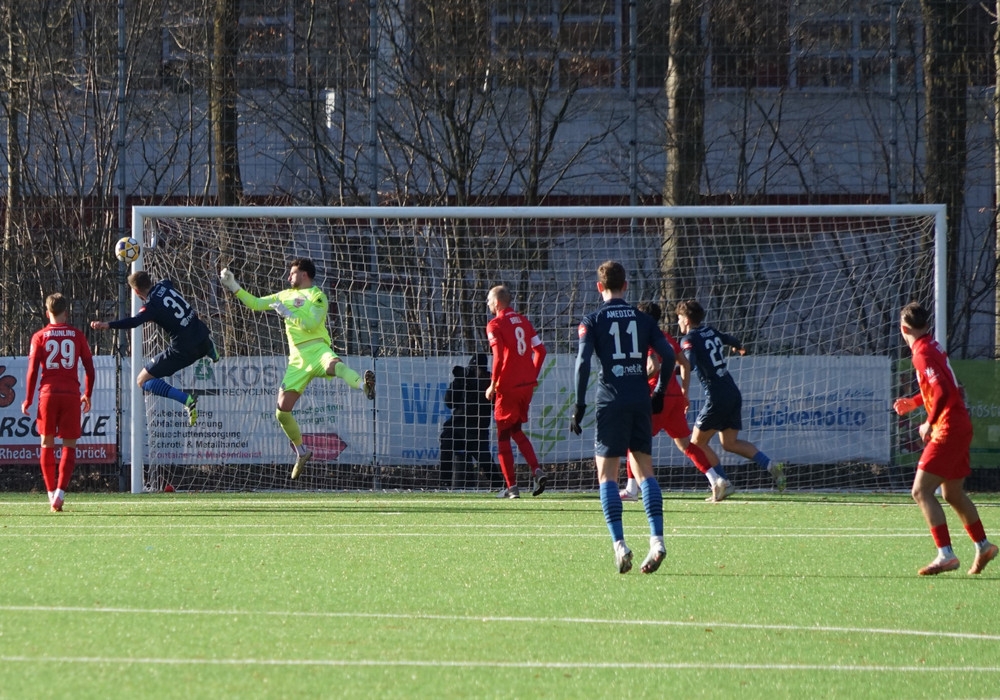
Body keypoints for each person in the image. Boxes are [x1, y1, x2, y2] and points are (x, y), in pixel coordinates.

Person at [220, 258, 375, 480]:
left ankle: (364, 387)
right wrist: (233, 286)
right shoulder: (284, 295)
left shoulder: (317, 296)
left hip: (317, 349)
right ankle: (301, 452)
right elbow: (255, 303)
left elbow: (311, 325)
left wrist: (289, 314)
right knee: (281, 411)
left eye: (292, 273)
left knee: (336, 366)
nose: (288, 277)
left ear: (304, 274)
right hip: (297, 360)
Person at [570, 261, 675, 574]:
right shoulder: (643, 319)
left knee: (607, 477)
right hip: (640, 399)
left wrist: (579, 404)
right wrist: (660, 392)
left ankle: (620, 545)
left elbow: (583, 362)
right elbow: (668, 355)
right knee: (645, 473)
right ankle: (657, 540)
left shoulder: (592, 320)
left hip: (610, 401)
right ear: (625, 286)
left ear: (599, 287)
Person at [893, 301, 997, 576]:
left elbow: (942, 392)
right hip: (960, 424)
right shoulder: (933, 346)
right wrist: (915, 402)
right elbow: (945, 385)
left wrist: (928, 422)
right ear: (926, 325)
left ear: (904, 329)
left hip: (948, 427)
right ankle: (983, 545)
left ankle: (945, 554)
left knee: (920, 491)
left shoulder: (922, 354)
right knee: (951, 493)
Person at [675, 299, 785, 499]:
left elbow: (689, 364)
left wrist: (670, 369)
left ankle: (723, 482)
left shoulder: (688, 339)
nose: (678, 322)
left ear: (687, 320)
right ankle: (770, 465)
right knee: (729, 443)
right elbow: (729, 339)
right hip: (732, 392)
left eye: (679, 318)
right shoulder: (711, 331)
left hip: (716, 397)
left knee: (696, 443)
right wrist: (739, 347)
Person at [91, 271, 219, 427]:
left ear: (136, 292)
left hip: (184, 350)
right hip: (202, 334)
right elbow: (168, 283)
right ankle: (210, 349)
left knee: (142, 380)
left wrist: (107, 325)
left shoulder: (151, 306)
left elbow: (134, 322)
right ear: (149, 281)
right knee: (193, 334)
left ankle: (187, 400)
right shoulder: (164, 285)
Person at [620, 301, 718, 502]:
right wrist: (684, 392)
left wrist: (637, 380)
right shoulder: (666, 337)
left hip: (656, 396)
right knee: (686, 444)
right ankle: (716, 479)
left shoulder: (645, 336)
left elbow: (653, 366)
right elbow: (685, 364)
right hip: (674, 397)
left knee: (633, 440)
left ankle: (631, 489)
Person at [22, 293, 96, 512]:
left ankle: (50, 493)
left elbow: (32, 370)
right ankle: (60, 494)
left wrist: (28, 398)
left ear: (47, 313)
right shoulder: (77, 335)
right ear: (66, 312)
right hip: (71, 394)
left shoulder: (39, 336)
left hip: (48, 394)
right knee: (69, 445)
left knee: (46, 443)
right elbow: (90, 369)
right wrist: (88, 393)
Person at [485, 284, 548, 499]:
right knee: (516, 430)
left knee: (503, 436)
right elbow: (541, 351)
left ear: (497, 303)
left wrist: (493, 384)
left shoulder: (495, 324)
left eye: (489, 301)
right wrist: (531, 374)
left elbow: (498, 357)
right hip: (526, 386)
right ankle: (536, 470)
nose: (488, 304)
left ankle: (512, 488)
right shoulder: (523, 321)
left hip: (508, 387)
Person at [439, 353, 497, 489]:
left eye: (478, 369)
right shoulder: (464, 379)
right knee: (446, 442)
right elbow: (449, 402)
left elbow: (494, 405)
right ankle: (444, 483)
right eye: (473, 368)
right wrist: (459, 381)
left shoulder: (490, 382)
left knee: (485, 460)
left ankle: (499, 484)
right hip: (457, 427)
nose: (476, 372)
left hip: (477, 431)